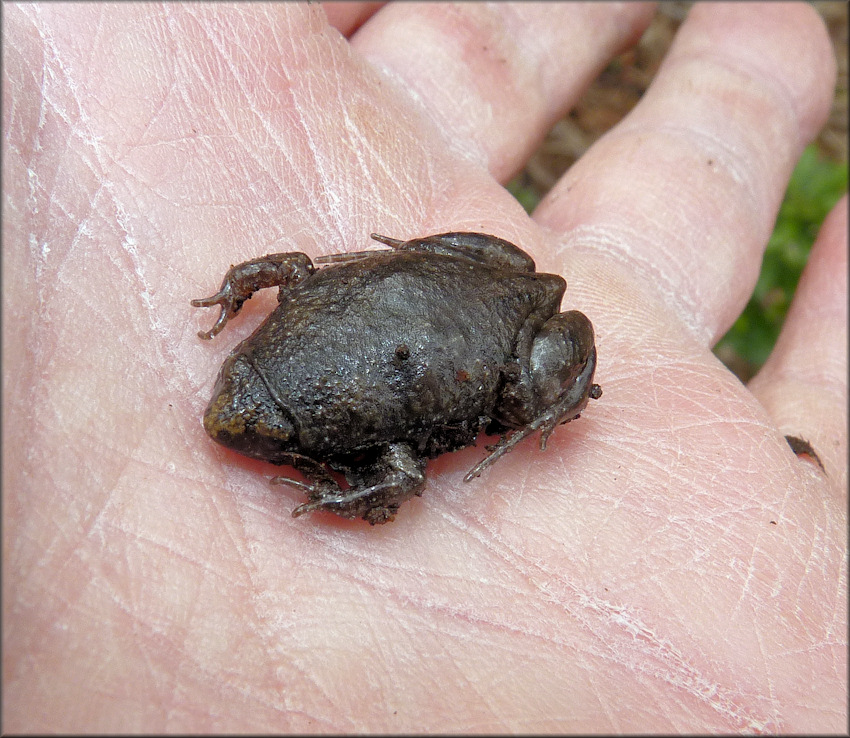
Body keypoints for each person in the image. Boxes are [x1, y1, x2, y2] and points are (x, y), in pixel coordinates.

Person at [3, 2, 845, 732]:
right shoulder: (305, 344)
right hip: (466, 288)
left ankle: (539, 389)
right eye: (251, 414)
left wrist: (360, 473)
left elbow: (377, 435)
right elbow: (303, 295)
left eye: (257, 425)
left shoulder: (340, 385)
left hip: (499, 327)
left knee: (523, 374)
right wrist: (239, 299)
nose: (226, 422)